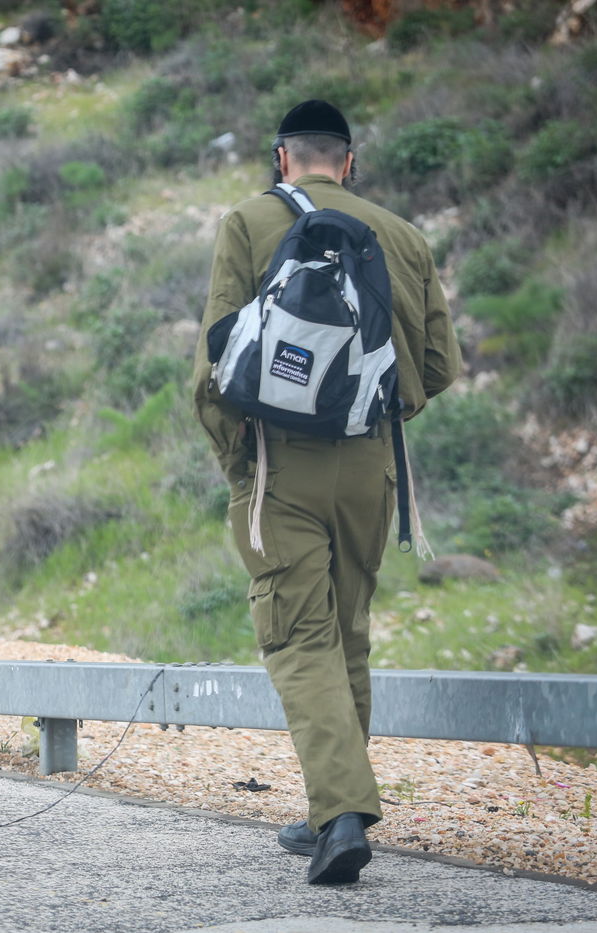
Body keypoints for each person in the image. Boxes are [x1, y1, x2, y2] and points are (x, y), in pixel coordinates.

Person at [191, 100, 461, 884]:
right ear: (350, 160)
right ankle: (328, 811)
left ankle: (343, 814)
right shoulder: (401, 234)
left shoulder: (247, 223)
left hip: (280, 464)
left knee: (297, 635)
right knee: (346, 634)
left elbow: (213, 363)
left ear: (283, 159)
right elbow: (438, 367)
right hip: (370, 467)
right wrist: (374, 409)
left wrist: (237, 461)